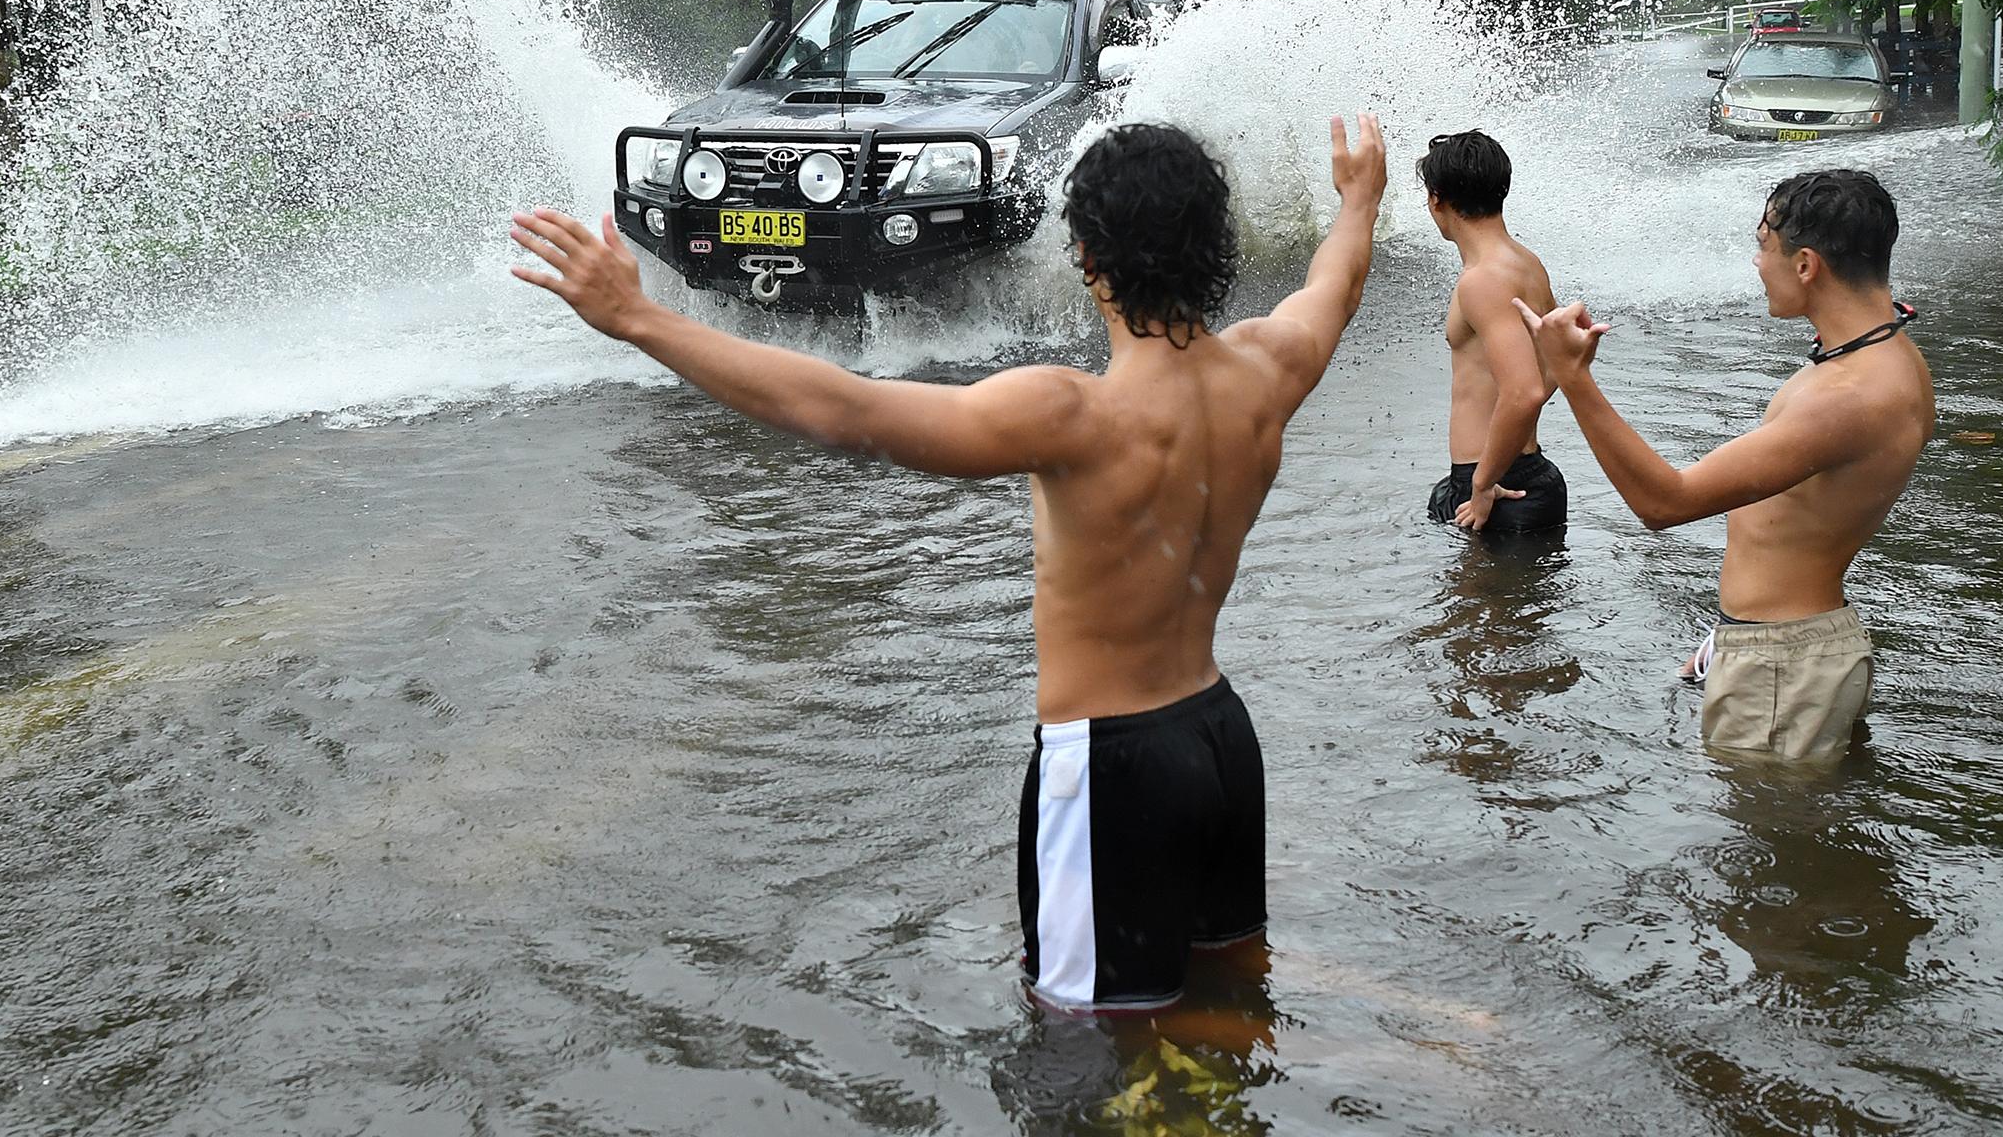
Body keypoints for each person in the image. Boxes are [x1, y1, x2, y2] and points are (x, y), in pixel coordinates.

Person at [509, 115, 1390, 1011]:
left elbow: (845, 411)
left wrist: (638, 318)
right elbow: (1337, 281)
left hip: (1113, 766)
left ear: (1087, 255)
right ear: (1215, 244)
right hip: (1219, 736)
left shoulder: (1070, 414)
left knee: (1085, 1039)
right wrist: (1358, 197)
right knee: (1236, 983)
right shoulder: (1267, 368)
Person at [1516, 169, 1934, 762]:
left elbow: (1665, 503)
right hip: (1790, 645)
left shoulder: (1848, 398)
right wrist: (1729, 635)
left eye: (1763, 245)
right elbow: (1797, 520)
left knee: (1773, 842)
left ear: (1806, 265)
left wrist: (1572, 376)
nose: (1756, 262)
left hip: (1784, 665)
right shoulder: (1891, 356)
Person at [1417, 130, 1566, 534]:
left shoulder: (1482, 281)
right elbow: (1562, 355)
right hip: (1519, 475)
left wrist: (1482, 484)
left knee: (1475, 598)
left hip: (1498, 488)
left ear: (1436, 200)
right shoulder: (1525, 261)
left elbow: (1525, 392)